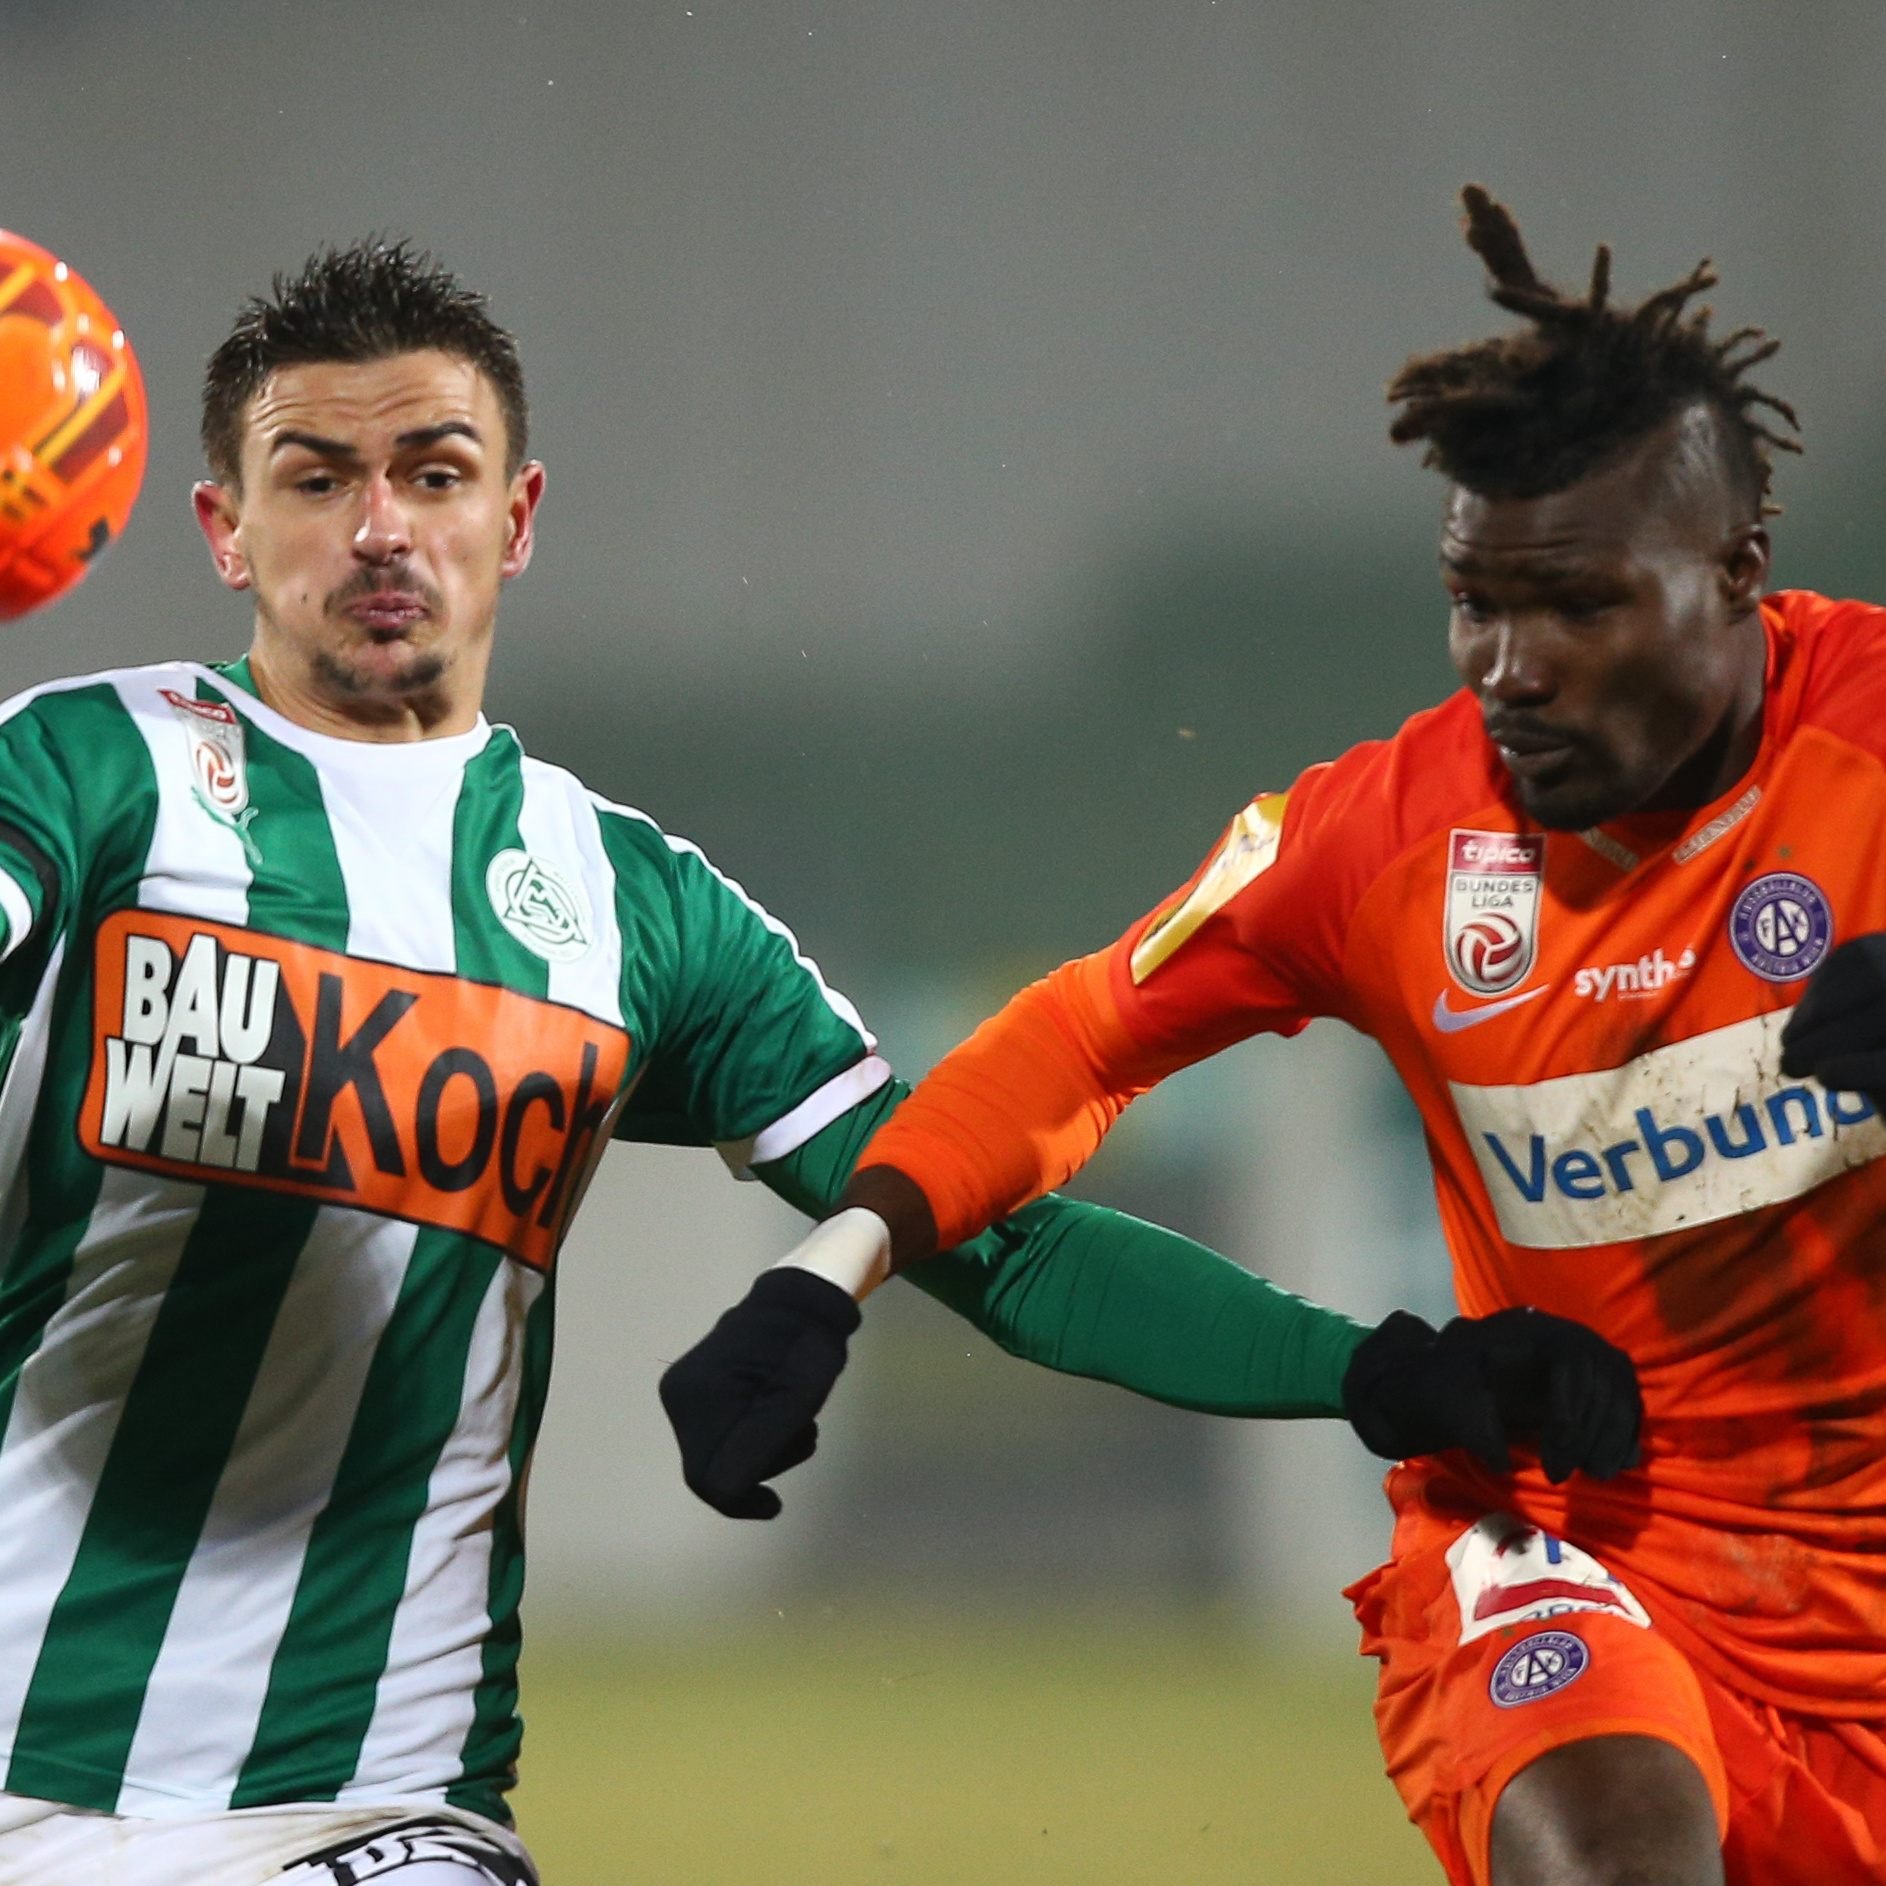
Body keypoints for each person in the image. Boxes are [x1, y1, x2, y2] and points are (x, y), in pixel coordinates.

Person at [0, 238, 1631, 1885]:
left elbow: (988, 1226)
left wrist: (1376, 1371)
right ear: (223, 526)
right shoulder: (87, 774)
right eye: (314, 479)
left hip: (364, 1805)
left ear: (517, 514)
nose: (379, 528)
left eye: (433, 473)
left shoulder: (632, 908)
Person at [662, 187, 1886, 1886]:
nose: (1511, 669)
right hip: (1568, 1542)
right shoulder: (1379, 836)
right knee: (1616, 1857)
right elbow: (1080, 1036)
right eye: (1474, 602)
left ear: (1740, 571)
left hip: (1853, 1584)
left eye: (1578, 605)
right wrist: (833, 1268)